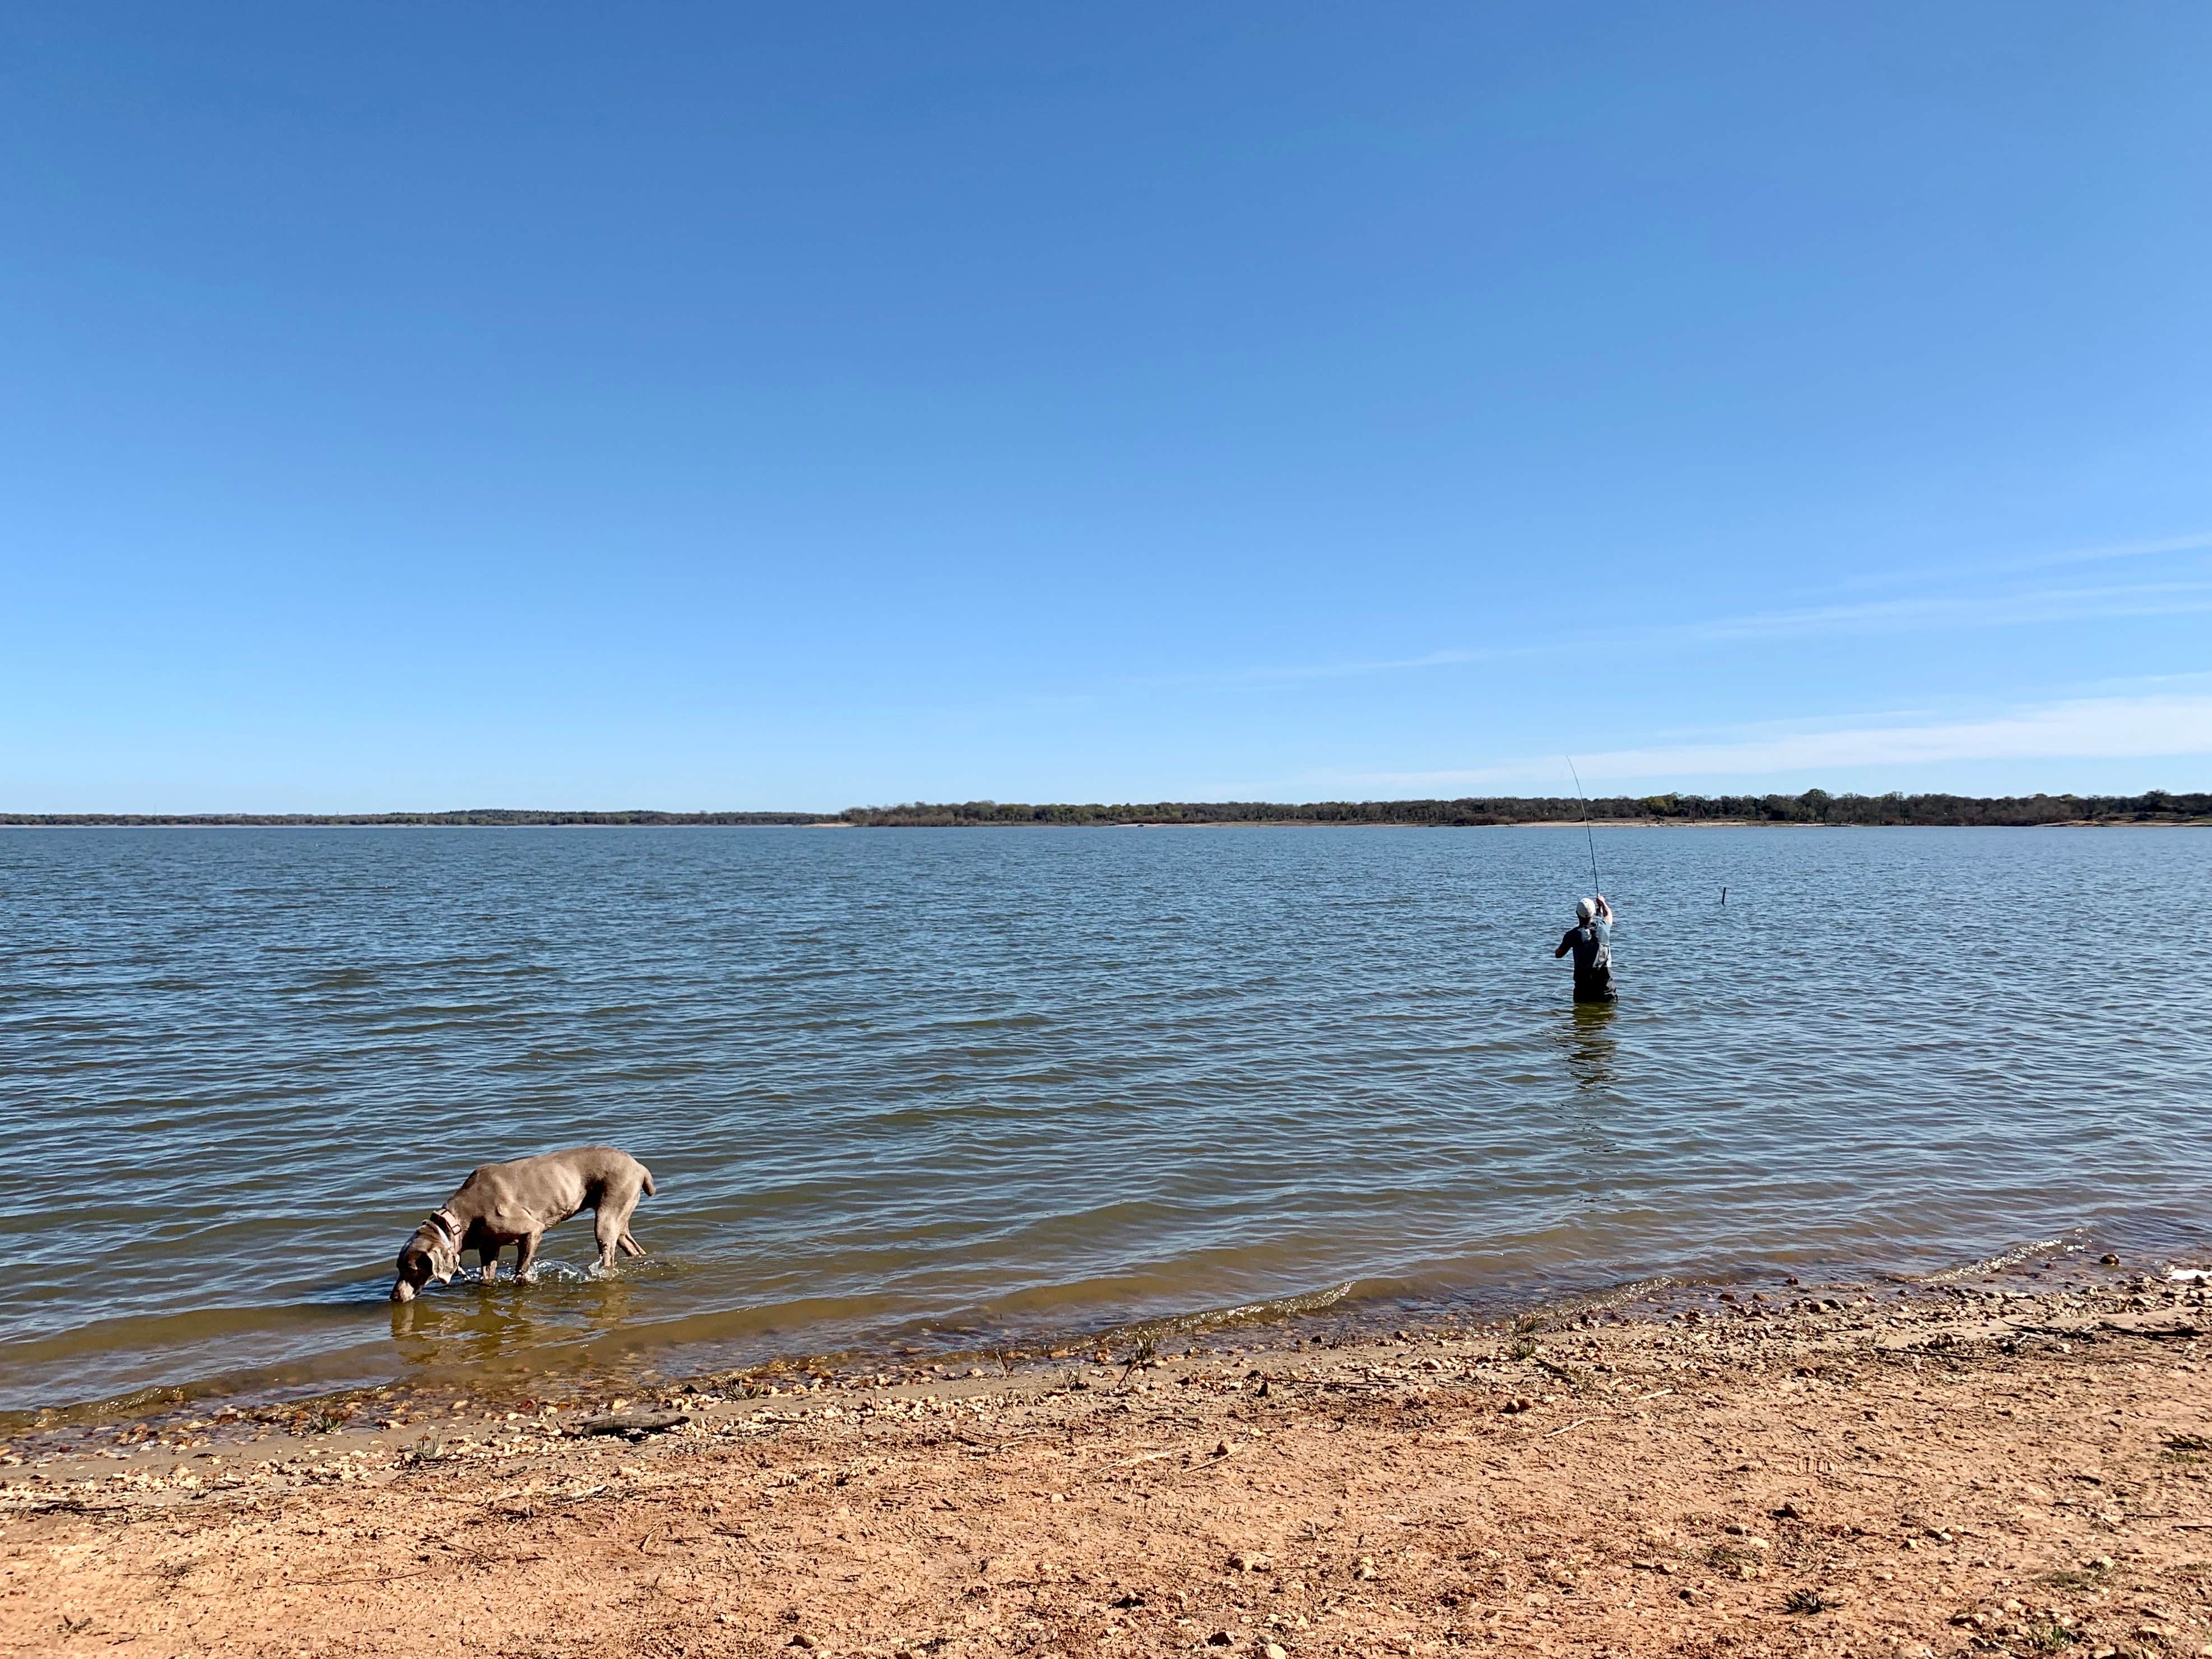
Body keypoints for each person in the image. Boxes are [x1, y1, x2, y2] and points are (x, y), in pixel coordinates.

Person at [1554, 894, 1616, 1003]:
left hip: (1583, 990)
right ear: (1593, 913)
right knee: (1607, 1016)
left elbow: (1559, 954)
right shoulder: (1604, 927)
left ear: (1577, 914)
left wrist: (1565, 942)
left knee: (1582, 1017)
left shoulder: (1572, 935)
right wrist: (1603, 903)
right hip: (1606, 989)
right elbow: (1608, 914)